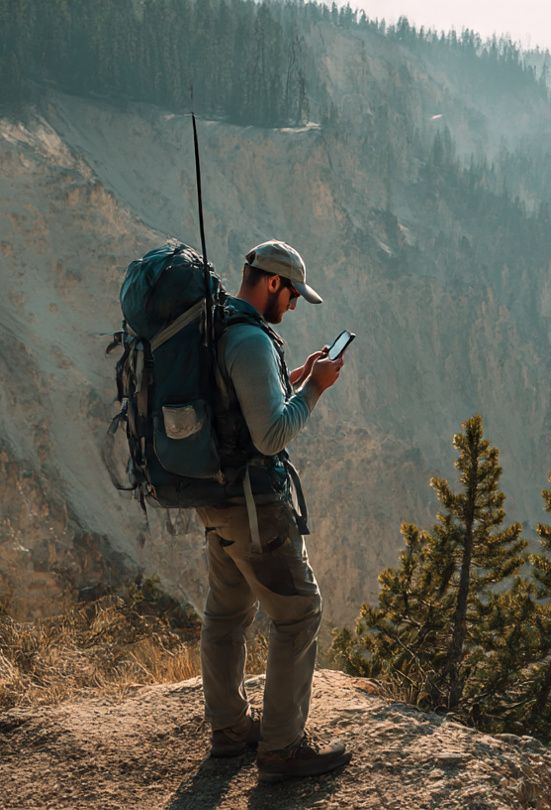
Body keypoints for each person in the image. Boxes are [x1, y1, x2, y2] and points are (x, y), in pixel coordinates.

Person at [194, 239, 351, 781]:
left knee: (226, 614)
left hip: (213, 499)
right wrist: (316, 392)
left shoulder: (216, 329)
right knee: (299, 612)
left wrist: (297, 379)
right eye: (292, 297)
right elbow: (270, 435)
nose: (292, 308)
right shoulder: (253, 343)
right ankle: (282, 749)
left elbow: (237, 408)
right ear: (273, 283)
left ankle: (231, 730)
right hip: (255, 507)